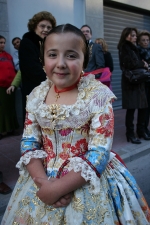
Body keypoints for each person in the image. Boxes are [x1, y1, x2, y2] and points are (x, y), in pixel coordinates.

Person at [2, 24, 150, 225]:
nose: (61, 63)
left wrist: (59, 187)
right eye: (52, 54)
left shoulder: (97, 95)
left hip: (85, 179)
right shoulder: (36, 95)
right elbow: (28, 142)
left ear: (84, 60)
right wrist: (44, 184)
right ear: (42, 59)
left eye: (71, 56)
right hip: (40, 178)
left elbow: (99, 150)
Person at [19, 11, 56, 123]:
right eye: (42, 26)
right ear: (34, 26)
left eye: (49, 27)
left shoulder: (47, 44)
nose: (46, 29)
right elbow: (32, 69)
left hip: (48, 89)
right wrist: (53, 82)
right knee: (35, 125)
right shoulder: (27, 42)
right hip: (34, 91)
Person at [117, 27, 150, 144]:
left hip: (138, 81)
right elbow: (130, 64)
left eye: (135, 35)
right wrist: (143, 64)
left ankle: (140, 131)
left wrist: (142, 64)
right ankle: (130, 134)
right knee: (131, 109)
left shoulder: (134, 48)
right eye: (132, 35)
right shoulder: (124, 47)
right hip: (130, 82)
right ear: (126, 36)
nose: (135, 37)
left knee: (142, 107)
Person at [0, 35, 19, 139]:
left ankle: (12, 128)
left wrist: (14, 84)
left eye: (3, 42)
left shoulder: (8, 56)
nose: (2, 45)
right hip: (0, 87)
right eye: (0, 43)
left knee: (11, 108)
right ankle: (2, 130)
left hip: (10, 86)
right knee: (2, 109)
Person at [137, 30, 150, 136]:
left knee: (148, 108)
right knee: (143, 108)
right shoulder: (138, 52)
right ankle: (141, 130)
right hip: (142, 83)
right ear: (139, 42)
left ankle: (145, 128)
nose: (145, 42)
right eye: (143, 40)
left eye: (147, 40)